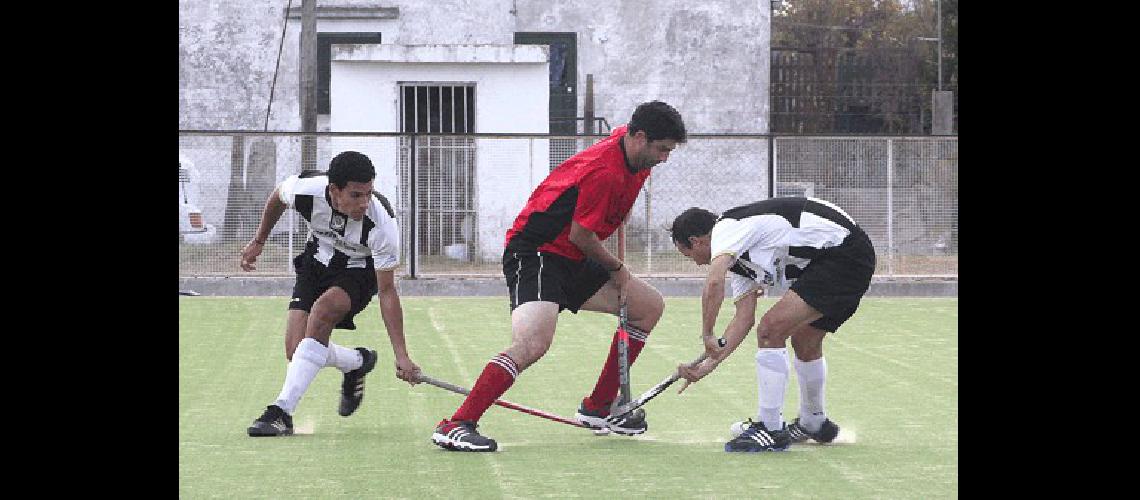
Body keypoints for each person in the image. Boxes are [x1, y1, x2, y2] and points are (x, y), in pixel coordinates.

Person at [430, 101, 687, 452]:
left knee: (647, 306)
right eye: (662, 150)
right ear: (639, 137)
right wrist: (617, 269)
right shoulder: (604, 170)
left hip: (574, 255)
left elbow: (615, 217)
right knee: (533, 343)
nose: (664, 158)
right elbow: (581, 234)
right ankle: (458, 423)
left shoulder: (636, 157)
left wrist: (623, 273)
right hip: (537, 252)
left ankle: (599, 407)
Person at [669, 197, 875, 452]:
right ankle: (814, 422)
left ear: (696, 241)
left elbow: (714, 282)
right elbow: (743, 319)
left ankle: (770, 428)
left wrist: (708, 334)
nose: (697, 262)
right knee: (804, 340)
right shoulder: (741, 261)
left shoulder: (727, 228)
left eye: (688, 255)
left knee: (771, 329)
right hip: (835, 260)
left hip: (844, 254)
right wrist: (708, 365)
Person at [242, 151, 421, 437]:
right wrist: (259, 240)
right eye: (355, 195)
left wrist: (402, 355)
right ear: (334, 190)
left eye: (368, 194)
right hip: (316, 261)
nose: (364, 203)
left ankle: (281, 412)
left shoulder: (382, 224)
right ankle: (357, 362)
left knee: (323, 311)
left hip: (358, 271)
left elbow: (387, 291)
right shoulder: (305, 189)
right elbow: (277, 197)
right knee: (297, 350)